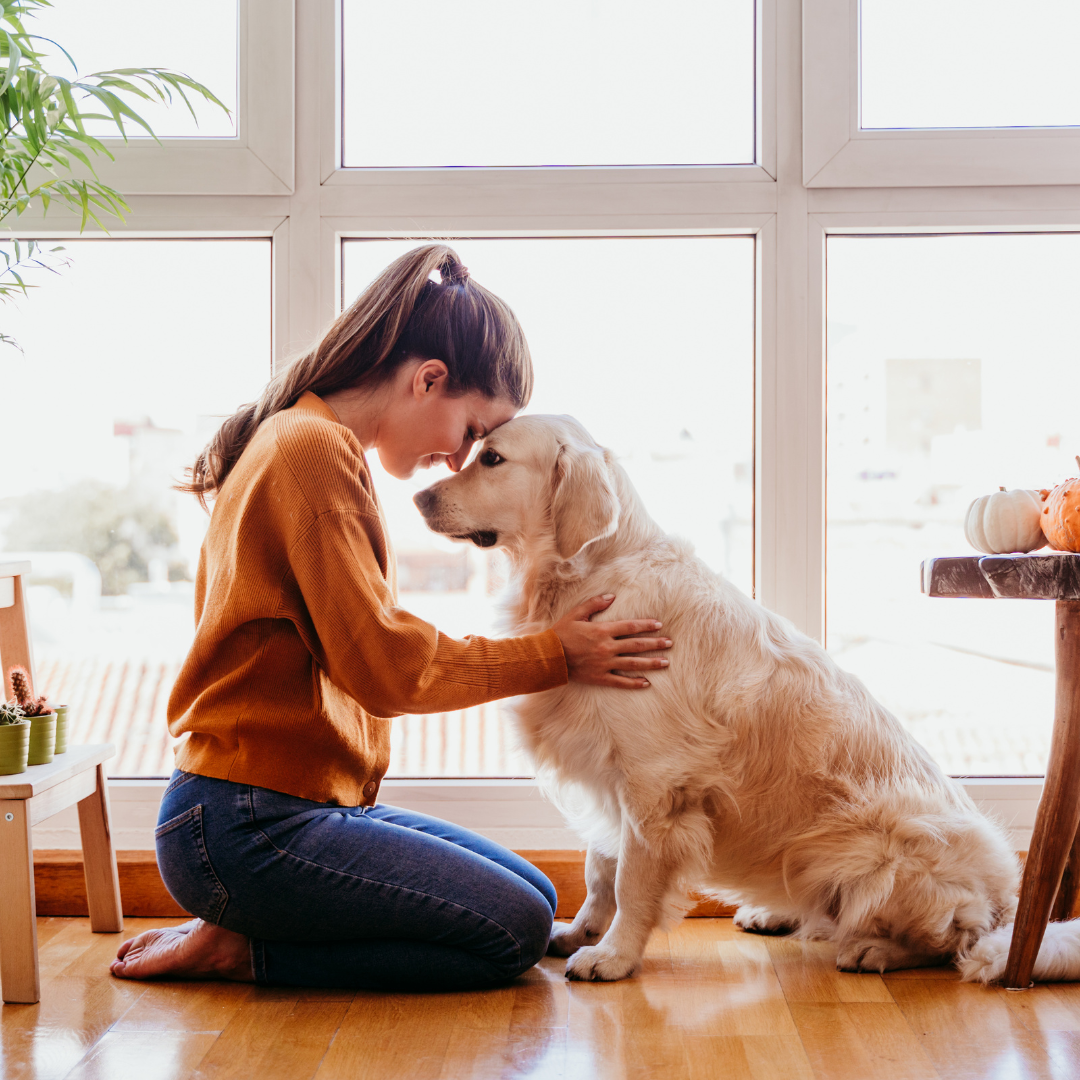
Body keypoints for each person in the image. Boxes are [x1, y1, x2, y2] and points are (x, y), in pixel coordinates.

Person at [110, 244, 672, 991]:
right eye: (472, 431)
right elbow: (386, 668)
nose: (458, 459)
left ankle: (246, 921)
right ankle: (243, 948)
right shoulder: (310, 452)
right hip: (243, 825)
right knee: (511, 932)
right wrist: (555, 654)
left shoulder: (308, 438)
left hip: (286, 810)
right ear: (428, 379)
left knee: (537, 899)